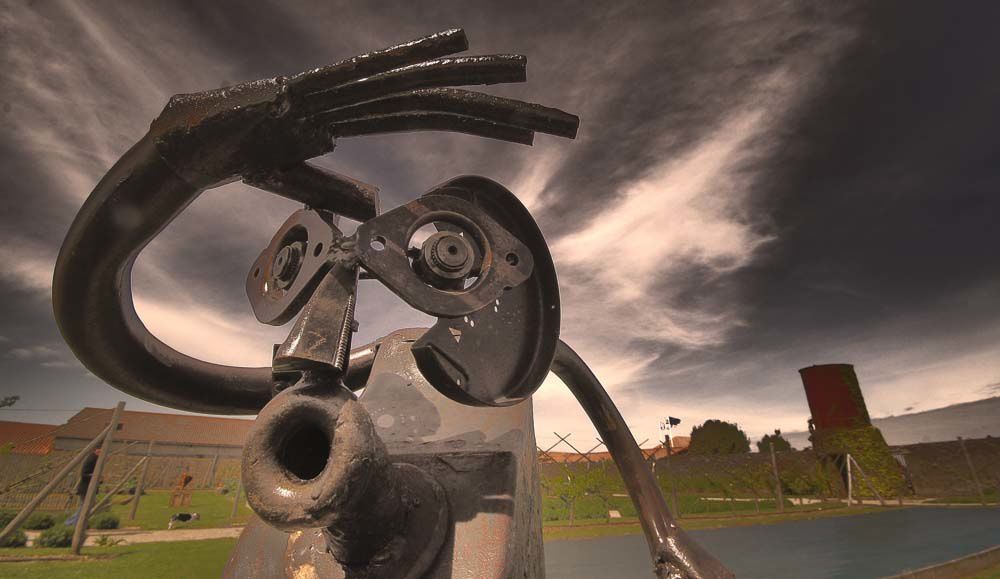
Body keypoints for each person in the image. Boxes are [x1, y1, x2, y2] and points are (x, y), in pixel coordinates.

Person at [64, 448, 100, 526]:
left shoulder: (95, 459)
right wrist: (94, 476)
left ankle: (73, 522)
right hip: (86, 488)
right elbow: (84, 474)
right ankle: (72, 522)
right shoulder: (91, 459)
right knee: (85, 506)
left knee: (87, 505)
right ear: (96, 450)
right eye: (99, 451)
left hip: (88, 488)